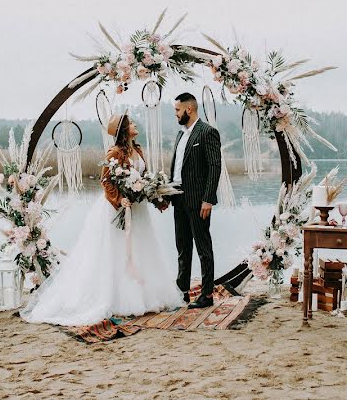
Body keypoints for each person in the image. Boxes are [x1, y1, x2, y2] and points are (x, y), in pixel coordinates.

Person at [21, 113, 183, 326]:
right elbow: (106, 180)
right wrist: (121, 199)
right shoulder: (114, 152)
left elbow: (143, 180)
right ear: (124, 129)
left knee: (141, 248)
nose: (135, 124)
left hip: (138, 208)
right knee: (117, 252)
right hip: (118, 208)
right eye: (131, 123)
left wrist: (157, 197)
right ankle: (120, 298)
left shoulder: (138, 149)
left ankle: (146, 295)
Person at [169, 92, 222, 308]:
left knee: (203, 247)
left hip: (198, 200)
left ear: (188, 109)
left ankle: (207, 295)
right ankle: (182, 291)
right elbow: (177, 170)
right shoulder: (180, 135)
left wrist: (208, 199)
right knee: (182, 247)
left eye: (177, 110)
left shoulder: (207, 132)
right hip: (178, 198)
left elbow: (214, 167)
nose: (176, 114)